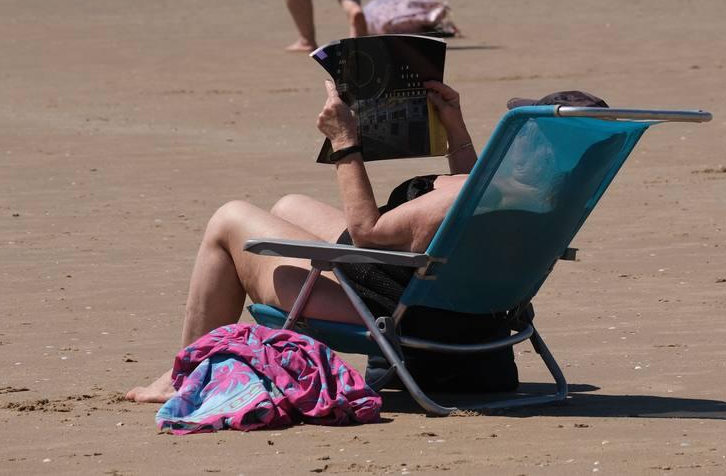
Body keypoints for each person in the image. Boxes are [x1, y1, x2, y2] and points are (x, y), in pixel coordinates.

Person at [125, 78, 481, 404]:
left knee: (227, 220)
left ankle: (185, 376)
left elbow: (367, 232)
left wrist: (344, 142)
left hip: (397, 311)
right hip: (450, 301)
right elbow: (469, 206)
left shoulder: (466, 193)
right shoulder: (511, 190)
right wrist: (454, 127)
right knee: (288, 207)